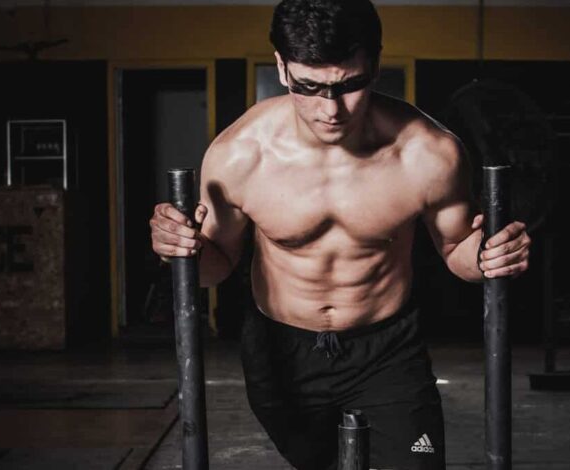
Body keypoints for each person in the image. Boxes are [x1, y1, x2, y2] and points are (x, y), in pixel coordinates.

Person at [150, 0, 530, 468]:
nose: (330, 109)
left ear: (374, 63)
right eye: (309, 86)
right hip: (281, 352)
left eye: (349, 85)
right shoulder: (238, 156)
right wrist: (181, 251)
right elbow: (216, 267)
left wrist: (490, 256)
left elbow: (457, 249)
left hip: (388, 350)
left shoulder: (428, 154)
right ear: (282, 67)